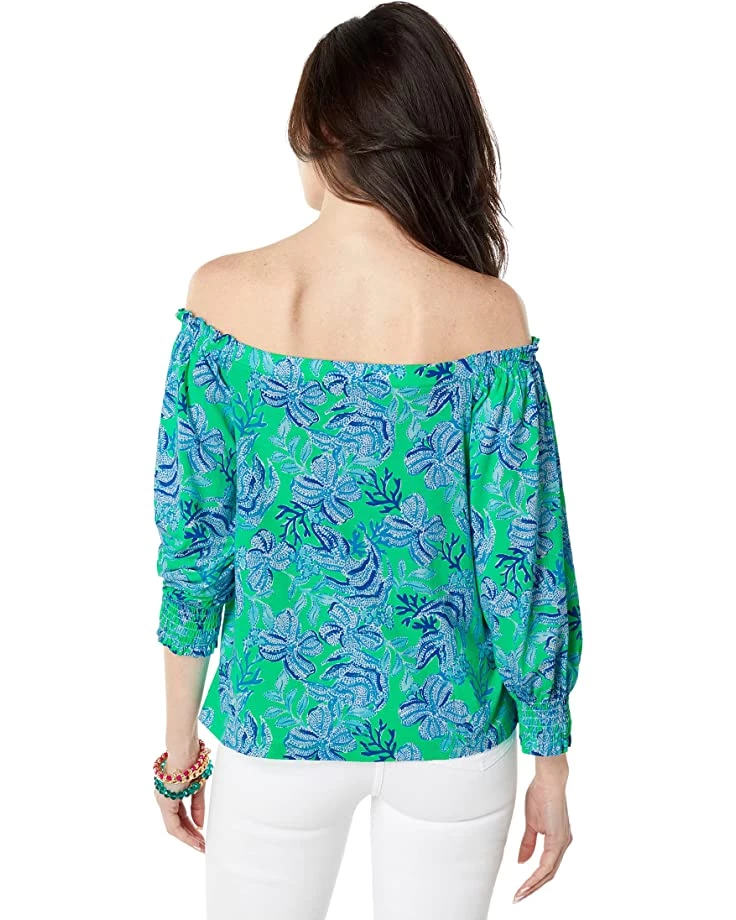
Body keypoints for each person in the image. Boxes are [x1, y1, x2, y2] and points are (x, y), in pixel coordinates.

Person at [150, 3, 583, 918]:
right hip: (453, 733)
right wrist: (551, 760)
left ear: (320, 133)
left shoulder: (223, 301)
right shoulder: (488, 317)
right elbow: (523, 562)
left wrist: (178, 747)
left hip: (278, 724)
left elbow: (194, 544)